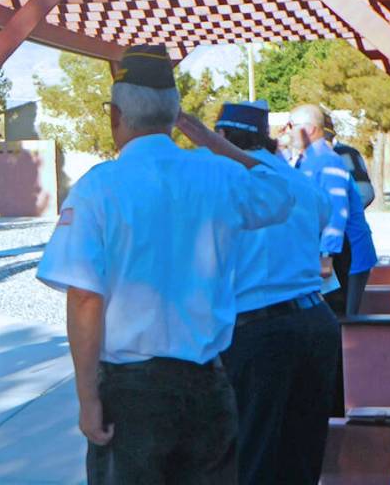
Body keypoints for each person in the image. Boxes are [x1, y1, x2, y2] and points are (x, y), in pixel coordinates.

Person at [36, 45, 298, 485]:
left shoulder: (98, 188)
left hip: (131, 394)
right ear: (175, 116)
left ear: (115, 115)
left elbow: (84, 298)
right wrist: (214, 143)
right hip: (207, 386)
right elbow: (279, 192)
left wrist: (87, 400)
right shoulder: (217, 174)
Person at [214, 101, 339, 485]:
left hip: (257, 328)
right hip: (315, 320)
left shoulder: (222, 180)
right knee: (303, 452)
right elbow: (319, 225)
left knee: (253, 454)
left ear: (222, 135)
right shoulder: (298, 181)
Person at [287, 105, 377, 316]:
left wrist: (326, 255)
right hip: (326, 252)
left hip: (344, 255)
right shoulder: (307, 160)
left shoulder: (327, 160)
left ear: (308, 129)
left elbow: (336, 211)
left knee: (340, 322)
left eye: (291, 125)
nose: (287, 132)